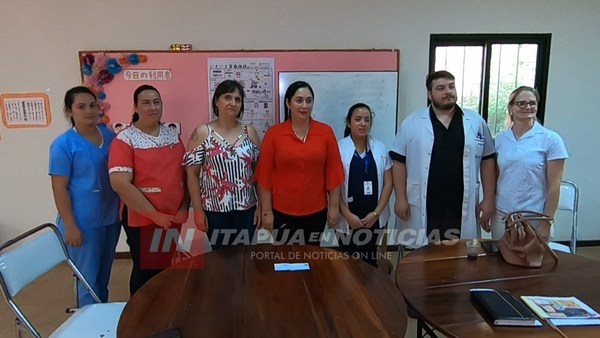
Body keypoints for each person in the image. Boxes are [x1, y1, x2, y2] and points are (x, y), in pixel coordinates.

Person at [389, 70, 496, 247]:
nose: (448, 91)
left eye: (451, 86)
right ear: (430, 94)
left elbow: (488, 159)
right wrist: (400, 198)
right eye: (441, 88)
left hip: (460, 201)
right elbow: (398, 162)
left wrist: (489, 199)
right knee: (423, 256)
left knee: (459, 253)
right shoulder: (412, 122)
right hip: (425, 201)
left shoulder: (475, 121)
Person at [108, 84, 189, 295]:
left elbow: (185, 173)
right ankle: (140, 318)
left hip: (171, 217)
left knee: (165, 265)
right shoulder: (125, 139)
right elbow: (120, 184)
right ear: (135, 107)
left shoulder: (171, 134)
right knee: (146, 270)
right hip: (143, 219)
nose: (152, 107)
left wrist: (184, 206)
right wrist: (155, 215)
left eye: (156, 102)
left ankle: (161, 312)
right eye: (145, 102)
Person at [49, 86, 120, 306]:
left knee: (103, 276)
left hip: (111, 218)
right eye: (81, 107)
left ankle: (101, 321)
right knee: (87, 280)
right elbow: (59, 188)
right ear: (69, 111)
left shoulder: (110, 137)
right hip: (81, 222)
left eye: (92, 105)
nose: (89, 111)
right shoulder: (63, 145)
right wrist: (71, 226)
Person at [255, 81, 344, 245]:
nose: (304, 105)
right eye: (299, 100)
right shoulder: (274, 134)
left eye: (309, 101)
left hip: (316, 211)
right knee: (285, 260)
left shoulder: (325, 132)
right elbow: (264, 175)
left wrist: (334, 207)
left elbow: (334, 171)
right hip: (281, 211)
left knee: (311, 259)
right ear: (288, 103)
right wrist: (266, 212)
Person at [185, 80, 261, 250]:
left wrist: (262, 207)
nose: (233, 103)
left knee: (245, 259)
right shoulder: (203, 132)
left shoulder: (250, 132)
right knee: (221, 261)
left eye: (238, 99)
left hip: (246, 210)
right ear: (216, 101)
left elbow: (259, 175)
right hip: (214, 211)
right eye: (228, 97)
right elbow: (192, 175)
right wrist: (197, 211)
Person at [492, 86, 569, 242]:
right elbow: (496, 177)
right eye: (521, 103)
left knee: (532, 264)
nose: (528, 107)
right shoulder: (500, 139)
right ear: (510, 108)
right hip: (502, 216)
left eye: (532, 103)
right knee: (498, 264)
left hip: (534, 218)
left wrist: (546, 222)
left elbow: (554, 186)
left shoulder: (551, 139)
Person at [336, 103, 393, 267]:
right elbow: (333, 188)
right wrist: (347, 215)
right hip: (348, 218)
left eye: (367, 120)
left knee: (370, 261)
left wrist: (376, 213)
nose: (362, 124)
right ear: (349, 122)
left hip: (373, 217)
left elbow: (388, 183)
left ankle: (371, 293)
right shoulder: (339, 148)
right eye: (358, 119)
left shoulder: (380, 148)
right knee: (349, 262)